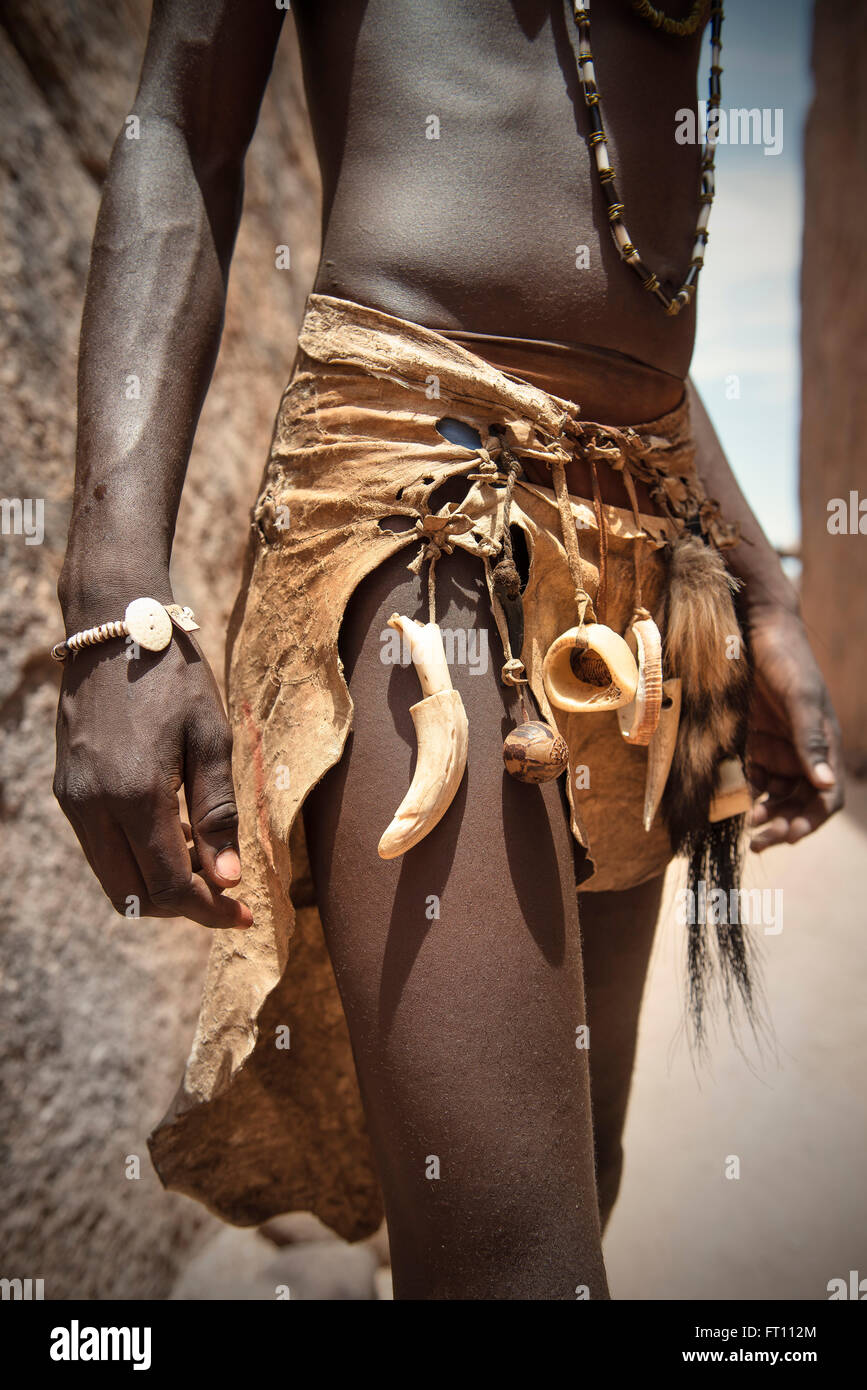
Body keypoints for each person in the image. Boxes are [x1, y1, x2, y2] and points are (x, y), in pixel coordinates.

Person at [52, 0, 843, 1301]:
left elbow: (625, 306)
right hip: (429, 491)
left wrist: (758, 590)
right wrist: (114, 597)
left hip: (651, 537)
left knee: (581, 1160)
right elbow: (181, 123)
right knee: (522, 1272)